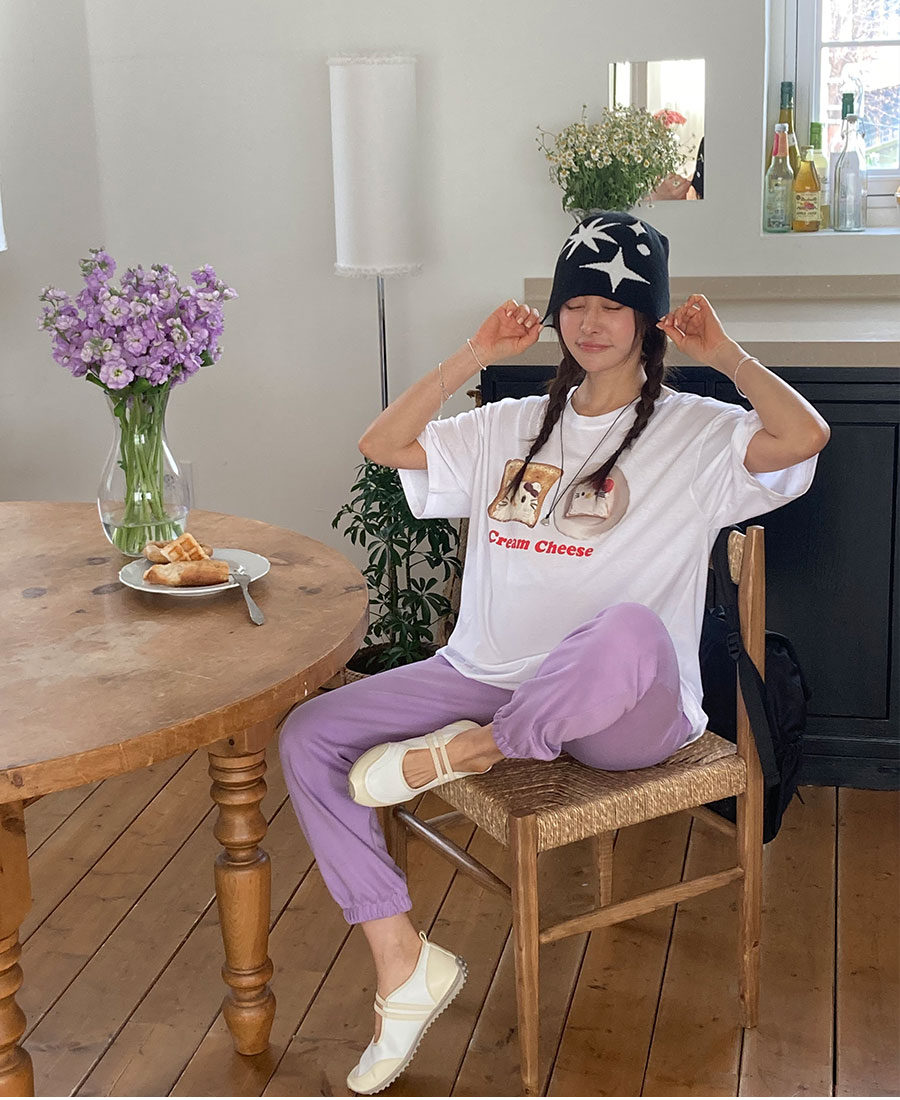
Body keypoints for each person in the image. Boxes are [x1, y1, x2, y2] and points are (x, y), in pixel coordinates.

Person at [279, 209, 829, 1095]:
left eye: (614, 305)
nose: (591, 321)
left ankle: (469, 752)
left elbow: (804, 438)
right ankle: (401, 963)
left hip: (624, 714)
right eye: (575, 303)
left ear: (648, 321)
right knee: (308, 735)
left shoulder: (697, 431)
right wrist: (471, 354)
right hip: (484, 675)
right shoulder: (508, 424)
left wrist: (726, 355)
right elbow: (383, 445)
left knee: (630, 626)